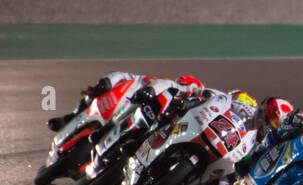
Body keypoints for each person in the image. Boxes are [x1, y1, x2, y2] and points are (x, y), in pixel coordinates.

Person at [47, 72, 203, 131]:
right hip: (121, 98)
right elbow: (126, 76)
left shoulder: (179, 109)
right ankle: (71, 116)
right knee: (100, 88)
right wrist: (108, 82)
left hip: (136, 120)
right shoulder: (160, 82)